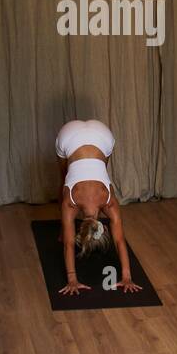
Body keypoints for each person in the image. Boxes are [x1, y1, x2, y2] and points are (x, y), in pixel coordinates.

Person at [55, 118, 142, 298]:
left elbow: (69, 244)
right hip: (92, 134)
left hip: (97, 134)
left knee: (64, 177)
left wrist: (73, 279)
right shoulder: (73, 202)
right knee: (67, 178)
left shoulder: (104, 201)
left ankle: (63, 230)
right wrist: (126, 277)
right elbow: (119, 240)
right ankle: (64, 229)